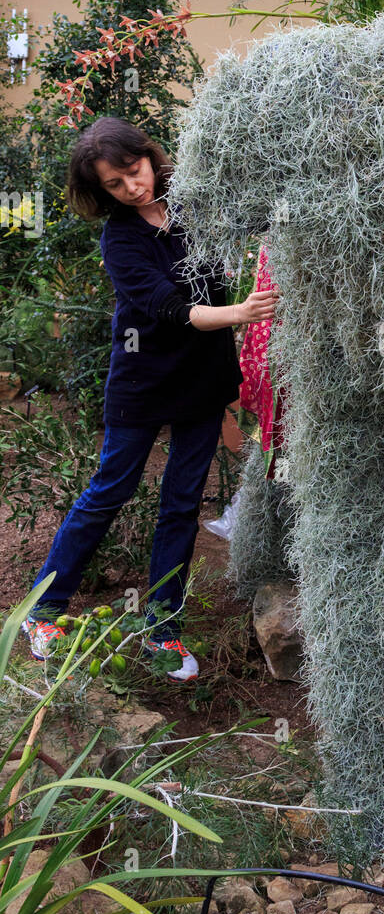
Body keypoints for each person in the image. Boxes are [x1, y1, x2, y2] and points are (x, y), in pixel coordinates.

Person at [21, 116, 277, 680]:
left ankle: (161, 628)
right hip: (143, 380)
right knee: (109, 491)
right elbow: (172, 309)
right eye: (115, 184)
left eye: (133, 171)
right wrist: (241, 312)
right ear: (101, 192)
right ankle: (44, 610)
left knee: (183, 503)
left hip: (203, 380)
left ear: (146, 155)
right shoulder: (121, 238)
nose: (132, 187)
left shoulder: (192, 204)